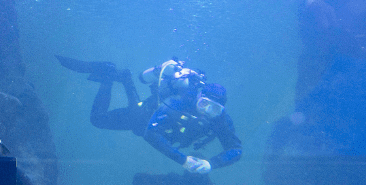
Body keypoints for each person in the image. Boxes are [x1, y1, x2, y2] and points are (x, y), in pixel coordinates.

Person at [56, 55, 242, 174]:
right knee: (99, 120)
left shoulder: (220, 119)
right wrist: (183, 160)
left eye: (214, 109)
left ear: (222, 110)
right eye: (204, 104)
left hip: (149, 124)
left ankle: (122, 77)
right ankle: (109, 76)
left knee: (134, 118)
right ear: (199, 98)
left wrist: (211, 164)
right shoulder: (179, 101)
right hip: (143, 116)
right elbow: (151, 133)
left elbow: (235, 149)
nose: (207, 111)